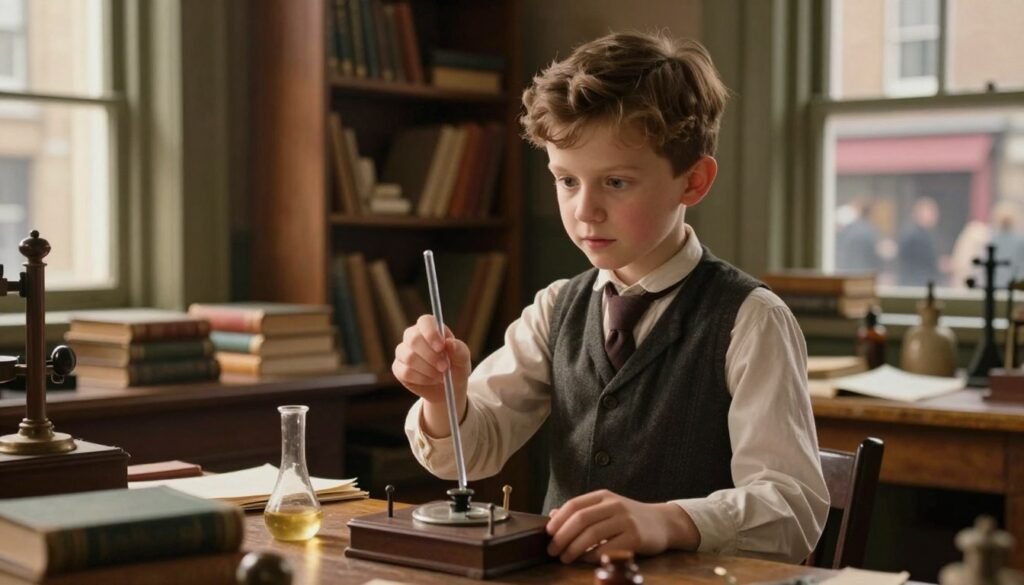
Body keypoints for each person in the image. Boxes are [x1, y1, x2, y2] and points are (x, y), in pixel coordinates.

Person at [393, 31, 828, 564]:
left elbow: (791, 510)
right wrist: (444, 396)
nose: (585, 211)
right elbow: (475, 450)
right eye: (566, 180)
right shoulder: (557, 308)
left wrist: (667, 520)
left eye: (616, 183)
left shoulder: (750, 320)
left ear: (693, 182)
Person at [897, 196, 942, 287]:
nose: (935, 217)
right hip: (917, 284)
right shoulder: (915, 235)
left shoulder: (920, 233)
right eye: (932, 213)